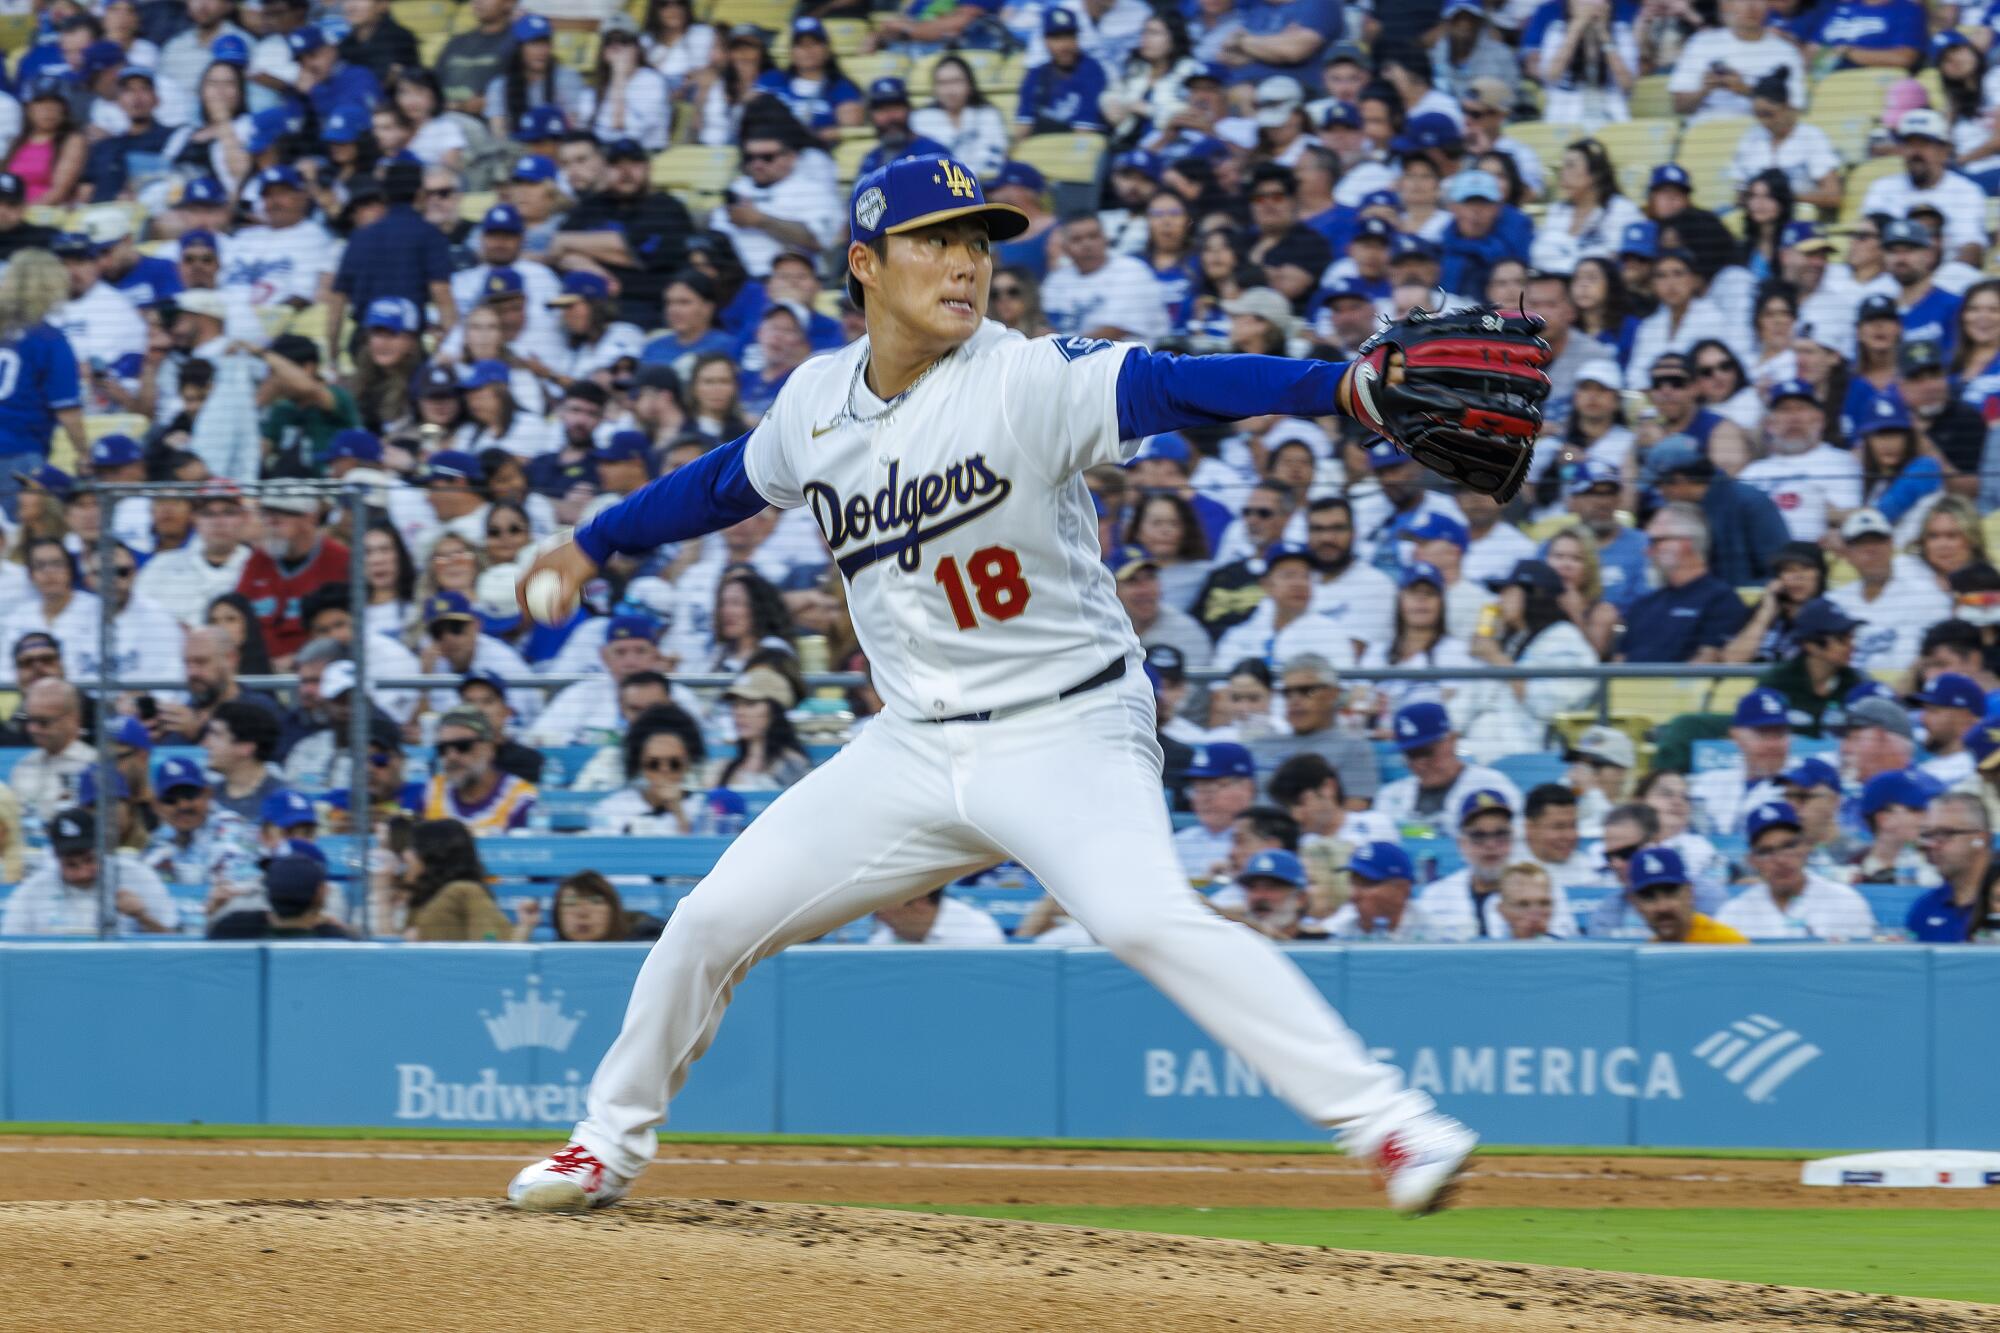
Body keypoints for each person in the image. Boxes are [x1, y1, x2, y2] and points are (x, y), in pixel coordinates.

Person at [505, 153, 1488, 1217]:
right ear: (865, 265)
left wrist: (1334, 385)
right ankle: (601, 1145)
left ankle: (1392, 1125)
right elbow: (719, 483)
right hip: (911, 747)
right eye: (935, 239)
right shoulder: (814, 403)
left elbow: (1171, 381)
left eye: (977, 241)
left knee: (1147, 920)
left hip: (1065, 731)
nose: (965, 262)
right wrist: (592, 540)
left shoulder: (1023, 376)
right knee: (705, 923)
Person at [1454, 559, 1597, 764]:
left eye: (1507, 592)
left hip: (1527, 750)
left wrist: (1497, 659)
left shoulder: (1564, 638)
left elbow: (1549, 705)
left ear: (1534, 594)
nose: (1499, 600)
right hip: (1478, 745)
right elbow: (1468, 702)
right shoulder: (1512, 641)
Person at [326, 161, 457, 353]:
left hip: (365, 344)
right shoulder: (430, 234)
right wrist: (452, 347)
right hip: (406, 345)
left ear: (384, 196)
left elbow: (337, 299)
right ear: (420, 194)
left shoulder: (360, 237)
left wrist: (332, 356)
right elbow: (441, 292)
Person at [0, 806, 177, 936]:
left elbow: (176, 944)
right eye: (71, 864)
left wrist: (142, 917)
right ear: (55, 856)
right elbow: (9, 953)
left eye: (89, 860)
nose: (83, 873)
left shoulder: (138, 876)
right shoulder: (33, 890)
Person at [1718, 800, 1878, 940]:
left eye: (1789, 846)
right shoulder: (1734, 915)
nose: (1780, 860)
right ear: (1752, 861)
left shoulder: (1846, 904)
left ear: (1806, 846)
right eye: (1766, 851)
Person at [1617, 500, 1750, 662]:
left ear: (1685, 543)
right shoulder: (1643, 604)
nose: (1647, 551)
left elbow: (1707, 663)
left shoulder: (1721, 601)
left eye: (1655, 541)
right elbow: (1618, 661)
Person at [1372, 700, 1522, 838]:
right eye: (1411, 755)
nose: (1419, 763)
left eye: (1426, 752)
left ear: (1452, 741)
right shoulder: (1390, 796)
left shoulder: (1492, 785)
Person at [1910, 791, 1998, 941]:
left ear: (1980, 839)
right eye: (1927, 835)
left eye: (1944, 833)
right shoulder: (1926, 907)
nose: (1932, 844)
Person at [1324, 841, 1445, 941]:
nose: (1353, 895)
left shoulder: (1436, 938)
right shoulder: (1343, 935)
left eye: (1366, 883)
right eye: (1352, 883)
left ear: (1402, 889)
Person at [1626, 846, 1747, 944]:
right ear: (1637, 905)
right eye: (1649, 897)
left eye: (1670, 892)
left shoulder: (1726, 944)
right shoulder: (1649, 954)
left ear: (1689, 893)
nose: (1662, 907)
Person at [517, 871, 667, 943]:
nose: (582, 913)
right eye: (570, 903)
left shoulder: (651, 942)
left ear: (614, 910)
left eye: (595, 901)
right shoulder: (555, 958)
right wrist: (526, 928)